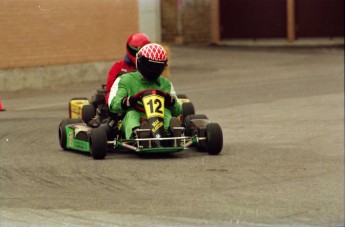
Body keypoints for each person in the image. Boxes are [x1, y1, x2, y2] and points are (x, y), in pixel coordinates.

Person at [108, 43, 182, 140]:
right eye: (151, 66)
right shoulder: (125, 80)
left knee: (166, 112)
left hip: (157, 117)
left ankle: (171, 131)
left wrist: (172, 102)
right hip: (135, 115)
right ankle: (139, 133)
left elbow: (178, 111)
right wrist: (127, 102)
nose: (153, 69)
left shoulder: (166, 84)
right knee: (131, 114)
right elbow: (113, 105)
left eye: (156, 67)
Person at [88, 33, 150, 127]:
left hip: (144, 98)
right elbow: (110, 87)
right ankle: (110, 120)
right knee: (109, 95)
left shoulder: (148, 67)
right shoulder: (118, 66)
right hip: (123, 98)